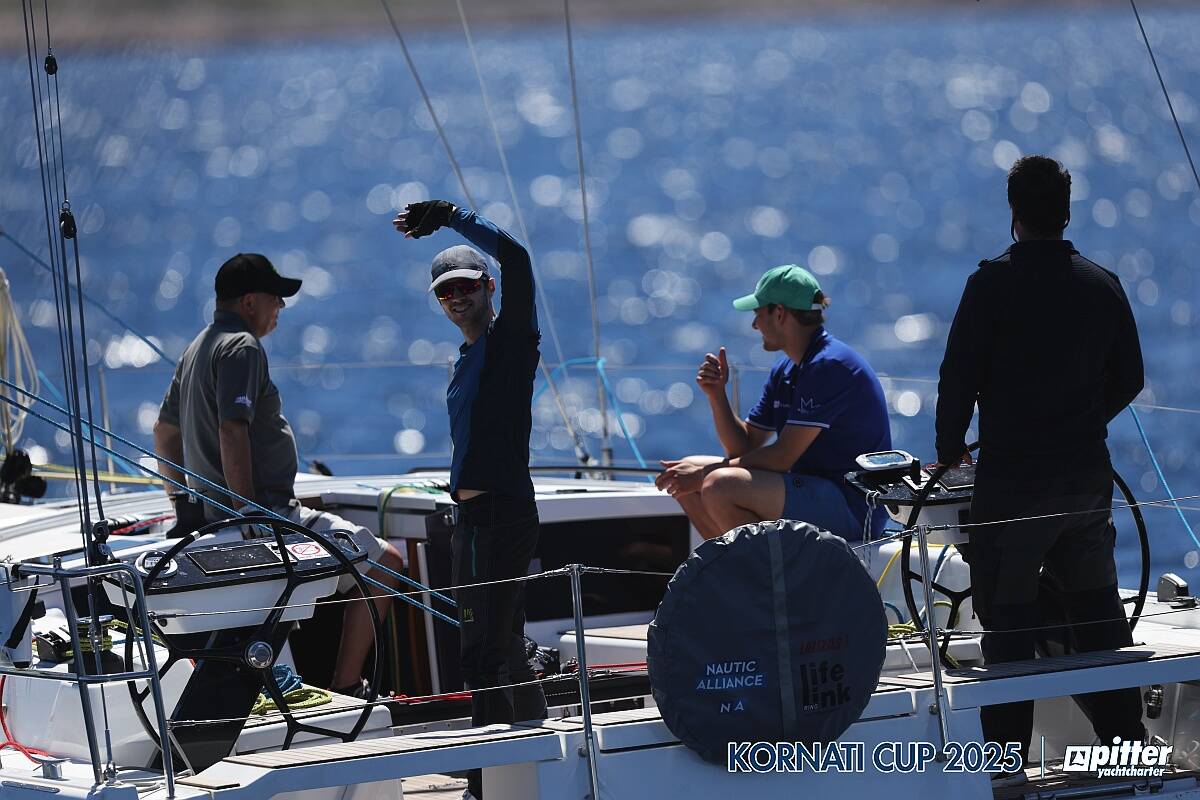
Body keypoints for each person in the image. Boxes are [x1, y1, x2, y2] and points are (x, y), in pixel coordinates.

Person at [934, 154, 1146, 779]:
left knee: (1009, 628)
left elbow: (957, 379)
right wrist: (1081, 425)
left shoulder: (990, 284)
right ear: (1067, 210)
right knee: (1098, 619)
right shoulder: (1102, 283)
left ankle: (1007, 780)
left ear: (1014, 214)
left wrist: (951, 450)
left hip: (1013, 488)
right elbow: (1131, 378)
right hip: (1085, 482)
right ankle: (1128, 764)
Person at [153, 253, 407, 699]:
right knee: (386, 564)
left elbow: (165, 432)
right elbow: (233, 428)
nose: (281, 309)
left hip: (217, 521)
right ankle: (349, 684)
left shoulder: (197, 347)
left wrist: (182, 503)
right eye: (276, 299)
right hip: (266, 517)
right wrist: (250, 514)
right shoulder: (242, 346)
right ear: (251, 301)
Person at [392, 200, 547, 800]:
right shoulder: (466, 359)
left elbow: (519, 258)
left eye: (464, 286)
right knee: (503, 641)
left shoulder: (510, 339)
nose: (455, 297)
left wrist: (451, 215)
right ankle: (530, 760)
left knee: (480, 650)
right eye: (444, 292)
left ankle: (485, 785)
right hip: (477, 517)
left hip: (499, 514)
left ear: (487, 287)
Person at [656, 264, 891, 542]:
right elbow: (743, 447)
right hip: (816, 491)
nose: (754, 325)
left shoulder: (829, 365)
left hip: (853, 508)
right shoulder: (786, 370)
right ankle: (738, 570)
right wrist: (716, 394)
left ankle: (765, 580)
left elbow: (781, 457)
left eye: (758, 314)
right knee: (684, 471)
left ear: (779, 313)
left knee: (718, 485)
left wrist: (703, 474)